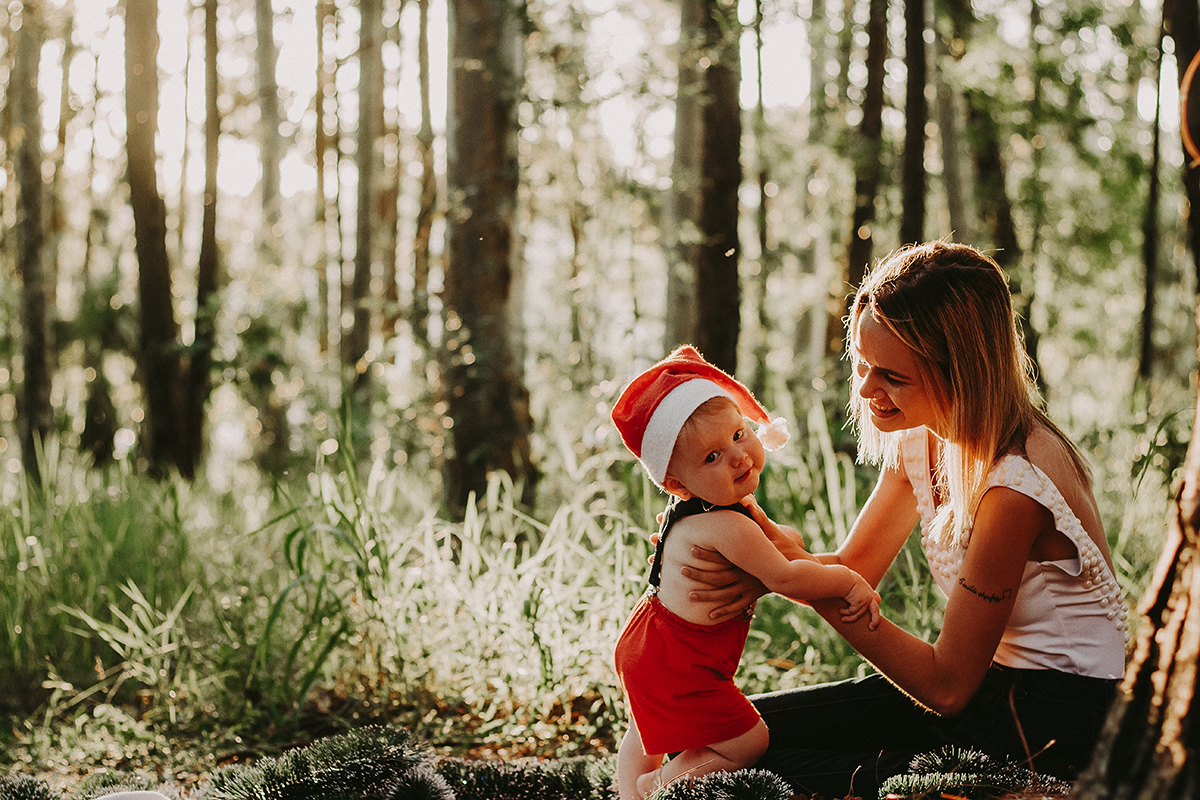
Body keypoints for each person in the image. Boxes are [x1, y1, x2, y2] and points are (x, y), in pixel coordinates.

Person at [678, 241, 1129, 799]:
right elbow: (853, 566)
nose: (866, 389)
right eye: (863, 365)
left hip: (1055, 721)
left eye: (891, 375)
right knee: (713, 740)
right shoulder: (924, 436)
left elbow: (945, 687)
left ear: (960, 373)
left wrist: (790, 578)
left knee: (738, 774)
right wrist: (747, 543)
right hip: (990, 689)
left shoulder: (1015, 486)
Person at [609, 345, 882, 800]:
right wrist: (848, 581)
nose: (737, 456)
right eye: (711, 457)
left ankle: (626, 791)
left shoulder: (709, 511)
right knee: (750, 741)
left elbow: (778, 542)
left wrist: (786, 543)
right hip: (683, 660)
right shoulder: (726, 524)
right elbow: (787, 577)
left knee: (645, 727)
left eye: (738, 434)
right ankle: (651, 787)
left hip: (650, 642)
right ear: (675, 483)